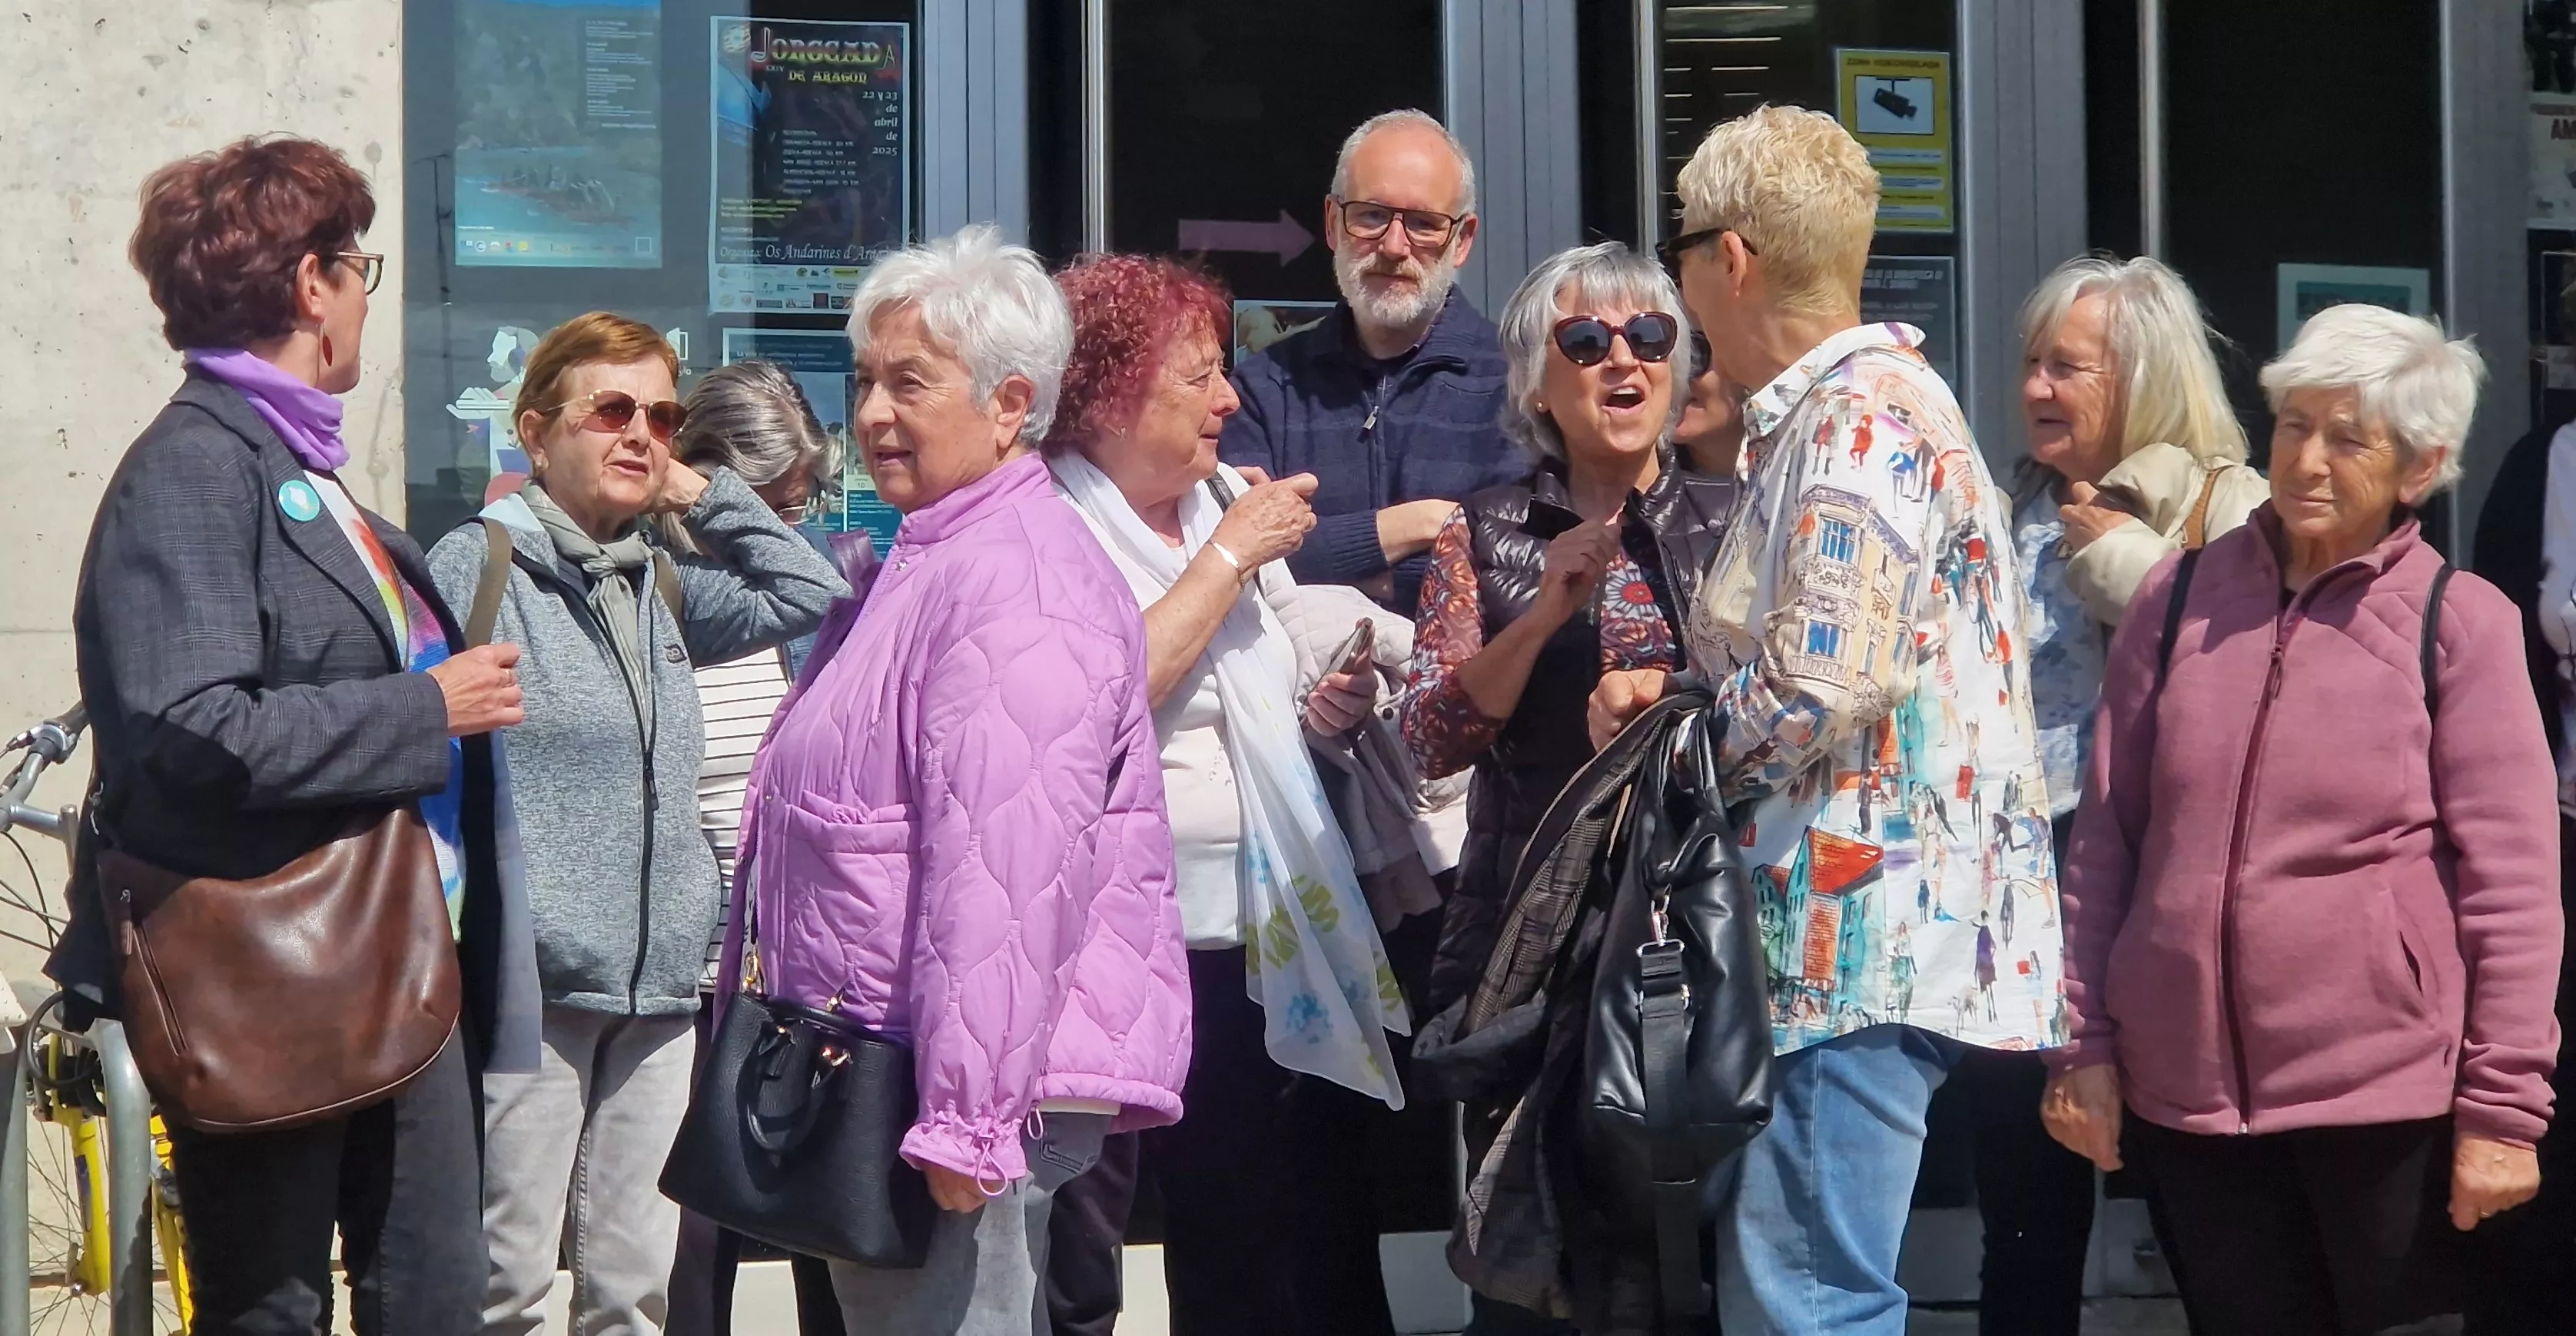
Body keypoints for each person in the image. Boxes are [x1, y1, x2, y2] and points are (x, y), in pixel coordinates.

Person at [1590, 105, 2061, 1334]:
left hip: (1846, 944)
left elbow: (1816, 683)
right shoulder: (1852, 409)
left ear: (1730, 258)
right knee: (1809, 1286)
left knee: (1813, 1298)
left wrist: (1677, 742)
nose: (1682, 281)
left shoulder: (1862, 417)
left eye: (1683, 249)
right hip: (1846, 935)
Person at [61, 135, 516, 1336]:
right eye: (359, 266)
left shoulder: (298, 466)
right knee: (272, 1302)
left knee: (432, 1295)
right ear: (312, 284)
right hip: (270, 968)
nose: (370, 296)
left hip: (391, 959)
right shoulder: (198, 469)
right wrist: (427, 707)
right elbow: (188, 730)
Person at [2044, 305, 2561, 1335]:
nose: (2308, 460)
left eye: (2349, 437)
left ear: (2421, 467)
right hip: (2186, 1094)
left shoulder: (2459, 623)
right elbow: (2108, 840)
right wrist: (2082, 1043)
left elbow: (2514, 888)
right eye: (2294, 425)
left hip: (2385, 1101)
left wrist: (2505, 1111)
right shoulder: (2177, 597)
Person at [740, 226, 1192, 1336]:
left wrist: (966, 1120)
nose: (875, 413)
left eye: (909, 382)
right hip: (890, 1069)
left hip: (960, 1097)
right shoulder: (931, 552)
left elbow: (1004, 876)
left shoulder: (1016, 589)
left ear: (1008, 405)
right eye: (865, 381)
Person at [425, 313, 847, 1336]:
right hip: (531, 985)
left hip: (660, 987)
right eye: (611, 410)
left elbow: (811, 585)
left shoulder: (654, 578)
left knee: (636, 1290)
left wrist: (697, 488)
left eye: (659, 415)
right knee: (506, 1282)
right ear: (536, 430)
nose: (639, 434)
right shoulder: (475, 567)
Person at [1037, 252, 1410, 1335]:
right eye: (1197, 377)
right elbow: (1098, 697)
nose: (1230, 398)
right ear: (1108, 395)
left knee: (1241, 1238)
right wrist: (1227, 558)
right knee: (1079, 1251)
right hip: (1095, 952)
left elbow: (1264, 691)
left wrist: (1326, 707)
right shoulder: (1048, 524)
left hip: (1242, 947)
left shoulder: (1213, 498)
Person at [1406, 241, 1736, 1332]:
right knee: (1530, 1265)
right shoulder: (1486, 528)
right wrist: (1545, 611)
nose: (1622, 362)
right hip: (1530, 950)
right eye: (1584, 342)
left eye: (1650, 337)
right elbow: (1434, 735)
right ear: (1537, 383)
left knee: (1682, 1254)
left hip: (1694, 937)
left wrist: (1670, 694)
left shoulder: (1732, 523)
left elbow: (1778, 710)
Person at [1960, 253, 2262, 1333]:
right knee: (2026, 1212)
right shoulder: (2005, 508)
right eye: (2033, 365)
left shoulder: (2233, 506)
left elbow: (2262, 680)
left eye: (2067, 368)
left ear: (2142, 378)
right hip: (2018, 890)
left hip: (2160, 891)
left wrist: (2136, 567)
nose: (2037, 387)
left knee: (2201, 1206)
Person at [662, 360, 869, 1336]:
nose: (791, 528)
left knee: (817, 1212)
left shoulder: (805, 608)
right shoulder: (657, 595)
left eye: (801, 504)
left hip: (793, 958)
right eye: (770, 505)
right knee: (693, 1231)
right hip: (683, 960)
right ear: (700, 478)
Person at [1220, 108, 1522, 617]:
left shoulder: (1519, 383)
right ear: (1332, 224)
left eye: (1425, 224)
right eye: (1371, 215)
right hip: (1302, 693)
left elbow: (1522, 574)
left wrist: (1372, 580)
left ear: (1463, 240)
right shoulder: (1262, 391)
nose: (1394, 246)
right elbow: (1233, 560)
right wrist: (1416, 525)